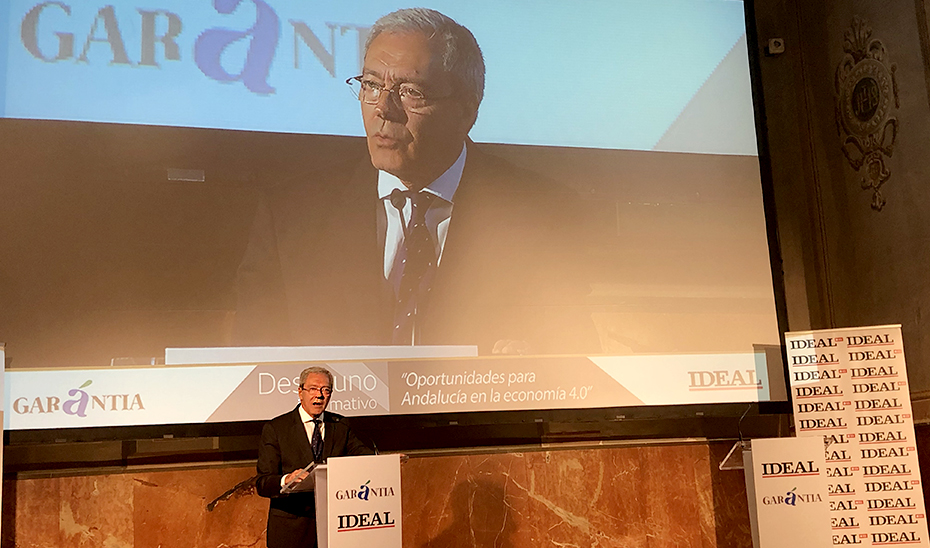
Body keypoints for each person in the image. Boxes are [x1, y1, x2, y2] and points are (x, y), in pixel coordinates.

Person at [235, 8, 598, 355]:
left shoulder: (546, 218)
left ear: (466, 111)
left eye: (411, 92)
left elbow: (573, 363)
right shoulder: (290, 216)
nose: (383, 108)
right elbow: (252, 373)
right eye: (371, 85)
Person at [255, 366, 373, 548]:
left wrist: (385, 463)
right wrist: (287, 480)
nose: (319, 395)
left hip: (335, 528)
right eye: (313, 389)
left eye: (325, 390)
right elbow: (263, 483)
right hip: (291, 530)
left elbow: (365, 457)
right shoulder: (276, 429)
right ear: (300, 392)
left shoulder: (340, 425)